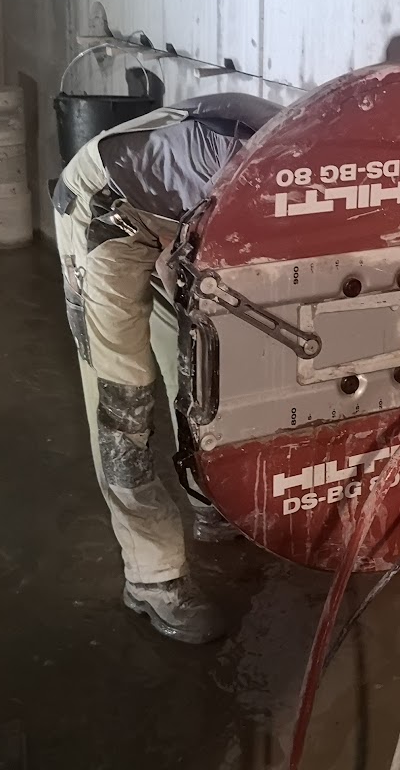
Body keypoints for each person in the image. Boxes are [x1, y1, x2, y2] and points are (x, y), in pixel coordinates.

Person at [51, 92, 280, 644]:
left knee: (201, 376)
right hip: (103, 212)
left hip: (172, 211)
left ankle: (211, 503)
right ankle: (152, 578)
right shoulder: (243, 173)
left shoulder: (308, 157)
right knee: (123, 401)